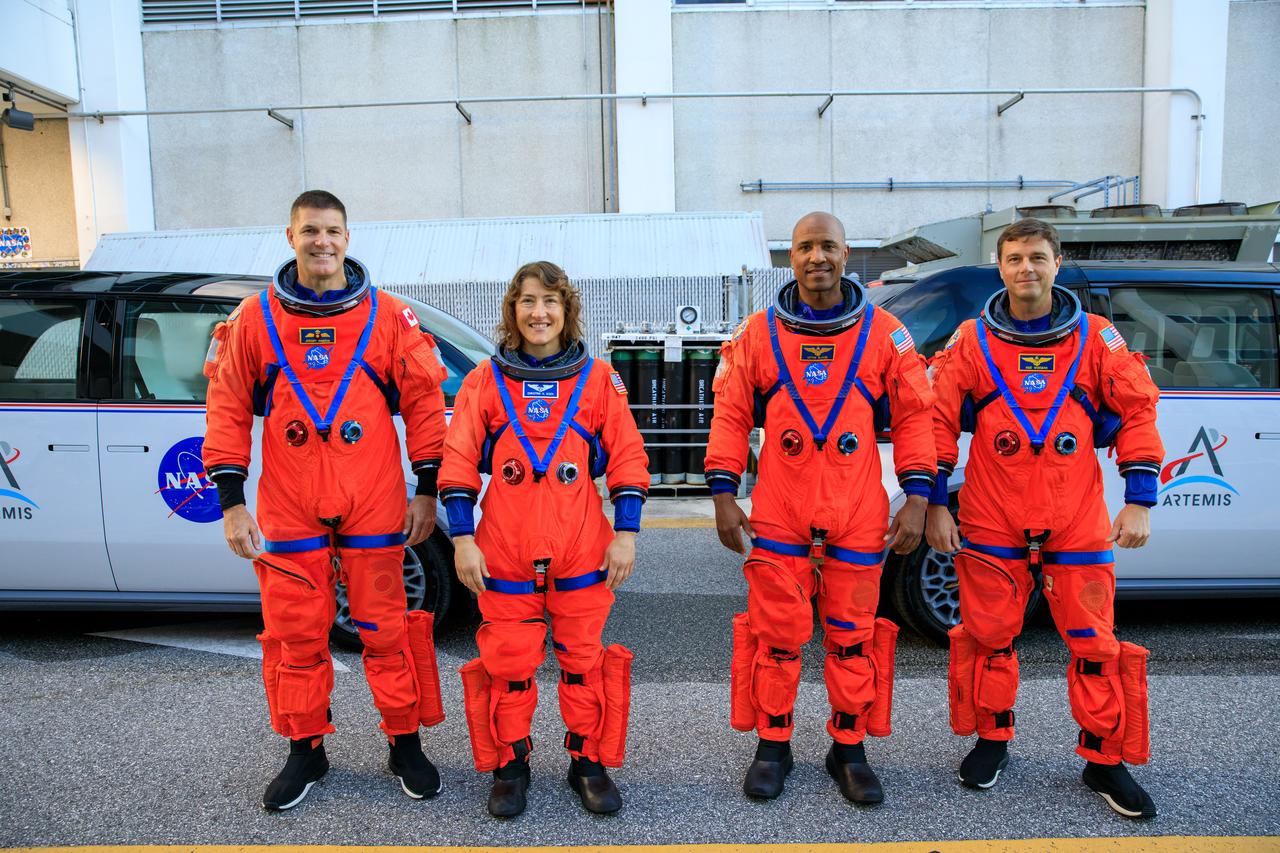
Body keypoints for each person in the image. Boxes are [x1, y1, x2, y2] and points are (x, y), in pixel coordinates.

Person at [203, 190, 450, 811]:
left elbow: (424, 405)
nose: (322, 242)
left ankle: (404, 741)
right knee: (296, 635)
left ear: (348, 236)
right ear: (290, 236)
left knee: (386, 630)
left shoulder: (390, 317)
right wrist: (232, 502)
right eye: (310, 230)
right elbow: (228, 409)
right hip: (289, 503)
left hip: (372, 497)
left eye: (333, 231)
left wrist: (427, 491)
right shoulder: (254, 321)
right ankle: (305, 748)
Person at [925, 217, 1163, 819]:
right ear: (999, 267)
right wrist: (931, 502)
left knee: (1093, 641)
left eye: (1037, 257)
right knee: (990, 638)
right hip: (992, 515)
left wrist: (1138, 497)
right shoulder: (971, 341)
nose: (1025, 268)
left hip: (1075, 516)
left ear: (1057, 263)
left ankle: (1103, 758)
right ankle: (993, 739)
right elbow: (934, 421)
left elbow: (1138, 410)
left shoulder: (1096, 339)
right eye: (1013, 259)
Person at [704, 212, 937, 804]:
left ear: (846, 253)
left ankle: (849, 749)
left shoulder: (885, 333)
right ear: (791, 257)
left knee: (852, 637)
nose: (817, 257)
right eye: (805, 247)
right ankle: (773, 744)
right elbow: (730, 416)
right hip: (780, 508)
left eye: (827, 246)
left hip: (857, 509)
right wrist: (725, 496)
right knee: (777, 637)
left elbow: (915, 416)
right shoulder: (756, 333)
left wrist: (917, 499)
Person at [439, 261, 649, 818]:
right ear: (513, 310)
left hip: (580, 550)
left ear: (567, 310)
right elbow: (457, 461)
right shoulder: (485, 380)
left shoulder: (598, 379)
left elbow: (627, 456)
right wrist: (462, 539)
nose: (539, 313)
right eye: (529, 301)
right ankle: (511, 766)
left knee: (583, 664)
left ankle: (588, 761)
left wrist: (625, 534)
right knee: (509, 668)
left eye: (551, 302)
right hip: (504, 550)